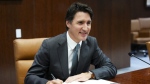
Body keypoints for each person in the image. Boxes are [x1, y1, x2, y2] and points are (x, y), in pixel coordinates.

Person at [24, 2, 117, 84]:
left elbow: (111, 67)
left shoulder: (91, 43)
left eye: (88, 23)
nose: (86, 28)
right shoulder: (49, 45)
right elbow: (30, 77)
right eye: (80, 23)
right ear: (68, 23)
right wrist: (47, 82)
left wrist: (90, 74)